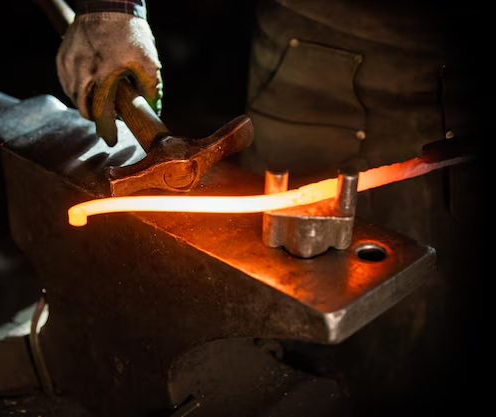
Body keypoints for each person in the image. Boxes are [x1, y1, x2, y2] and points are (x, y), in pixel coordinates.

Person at [56, 0, 482, 415]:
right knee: (260, 289)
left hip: (452, 91)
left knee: (415, 318)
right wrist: (113, 9)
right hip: (305, 47)